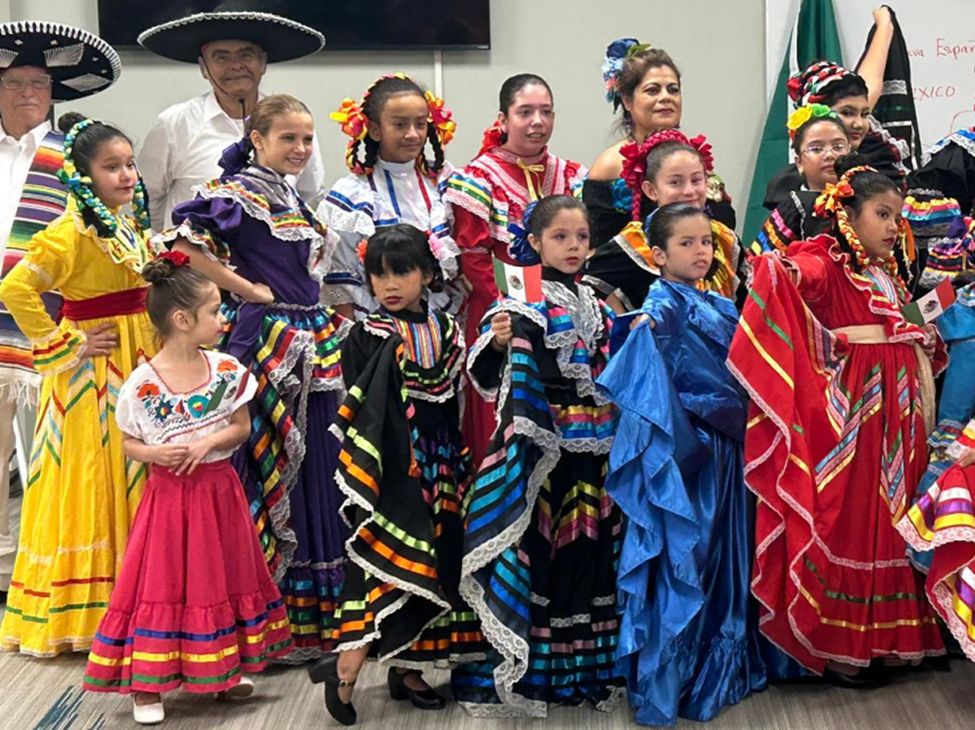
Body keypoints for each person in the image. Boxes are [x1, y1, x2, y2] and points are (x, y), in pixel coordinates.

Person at [729, 157, 947, 687]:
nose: (895, 227)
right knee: (852, 517)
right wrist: (780, 267)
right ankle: (846, 648)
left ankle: (895, 640)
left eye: (898, 216)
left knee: (897, 516)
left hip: (902, 417)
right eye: (883, 214)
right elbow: (786, 274)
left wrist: (919, 334)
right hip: (859, 416)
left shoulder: (885, 274)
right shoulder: (829, 263)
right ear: (846, 214)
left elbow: (902, 326)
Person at [155, 93, 347, 662]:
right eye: (288, 137)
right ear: (257, 139)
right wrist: (247, 291)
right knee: (271, 466)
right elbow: (184, 249)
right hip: (270, 342)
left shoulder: (289, 195)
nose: (300, 147)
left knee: (317, 464)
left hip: (312, 339)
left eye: (307, 138)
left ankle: (311, 617)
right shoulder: (238, 193)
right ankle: (266, 615)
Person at [83, 252, 292, 725]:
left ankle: (220, 667)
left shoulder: (225, 371)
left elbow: (240, 428)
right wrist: (155, 454)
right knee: (162, 581)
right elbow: (130, 443)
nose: (222, 320)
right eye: (215, 311)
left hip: (221, 494)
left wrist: (210, 440)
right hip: (170, 501)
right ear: (182, 319)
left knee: (221, 577)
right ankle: (146, 684)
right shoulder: (141, 384)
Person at [597, 203, 769, 725]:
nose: (701, 252)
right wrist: (641, 326)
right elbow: (649, 339)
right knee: (687, 555)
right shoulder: (663, 303)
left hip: (730, 445)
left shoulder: (715, 299)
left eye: (706, 243)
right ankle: (673, 677)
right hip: (691, 450)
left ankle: (716, 666)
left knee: (725, 554)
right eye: (687, 243)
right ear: (658, 255)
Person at [455, 195, 625, 717]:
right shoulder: (521, 298)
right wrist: (502, 341)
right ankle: (538, 667)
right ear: (534, 243)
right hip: (545, 453)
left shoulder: (596, 299)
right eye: (560, 237)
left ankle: (588, 667)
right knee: (546, 549)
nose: (573, 247)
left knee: (591, 550)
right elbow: (484, 368)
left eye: (580, 237)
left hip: (597, 448)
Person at [307, 225, 483, 725]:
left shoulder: (448, 330)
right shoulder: (366, 334)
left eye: (401, 271)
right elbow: (366, 408)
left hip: (442, 460)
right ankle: (345, 668)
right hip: (393, 468)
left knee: (437, 563)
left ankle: (409, 668)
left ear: (427, 274)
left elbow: (454, 399)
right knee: (384, 564)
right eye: (377, 274)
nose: (388, 283)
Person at [0, 114, 157, 656]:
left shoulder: (125, 223)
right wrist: (65, 343)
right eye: (112, 167)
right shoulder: (70, 231)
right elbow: (18, 287)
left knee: (134, 469)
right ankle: (95, 610)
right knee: (96, 472)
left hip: (142, 353)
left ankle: (140, 598)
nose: (127, 176)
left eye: (130, 164)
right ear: (82, 176)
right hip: (97, 369)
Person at [0, 20, 121, 600]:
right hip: (7, 317)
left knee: (65, 455)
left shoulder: (73, 152)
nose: (30, 92)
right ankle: (5, 570)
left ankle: (64, 572)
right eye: (17, 81)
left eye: (41, 82)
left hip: (67, 318)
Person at [444, 74, 586, 465]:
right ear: (503, 119)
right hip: (501, 314)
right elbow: (473, 258)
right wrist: (519, 313)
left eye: (546, 112)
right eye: (525, 112)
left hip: (566, 314)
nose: (537, 121)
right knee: (504, 421)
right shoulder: (478, 178)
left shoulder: (571, 175)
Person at [136, 8, 327, 230]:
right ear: (203, 68)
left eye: (246, 54)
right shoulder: (175, 124)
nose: (236, 65)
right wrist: (173, 248)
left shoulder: (292, 123)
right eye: (221, 56)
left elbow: (310, 197)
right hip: (193, 261)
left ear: (263, 62)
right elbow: (145, 199)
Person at [319, 73, 463, 320]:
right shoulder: (351, 196)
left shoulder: (445, 182)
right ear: (375, 130)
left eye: (420, 123)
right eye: (399, 124)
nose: (413, 134)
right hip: (377, 328)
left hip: (444, 324)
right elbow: (339, 283)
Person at [584, 39, 736, 247]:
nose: (666, 97)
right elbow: (599, 241)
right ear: (627, 100)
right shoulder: (610, 165)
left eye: (673, 90)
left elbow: (725, 222)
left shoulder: (690, 157)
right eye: (653, 90)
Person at [584, 130, 743, 312]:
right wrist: (626, 323)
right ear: (651, 190)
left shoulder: (725, 240)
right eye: (675, 183)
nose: (689, 191)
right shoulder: (636, 242)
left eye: (696, 180)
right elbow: (590, 289)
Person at [752, 105, 850, 254]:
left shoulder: (867, 197)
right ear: (799, 162)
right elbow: (760, 261)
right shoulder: (795, 206)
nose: (830, 155)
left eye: (838, 147)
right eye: (817, 149)